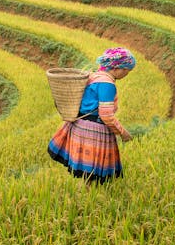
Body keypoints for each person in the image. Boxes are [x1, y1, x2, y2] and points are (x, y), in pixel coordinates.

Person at [47, 47, 136, 184]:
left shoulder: (94, 76)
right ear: (118, 67)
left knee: (86, 174)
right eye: (126, 70)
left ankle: (87, 196)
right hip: (94, 130)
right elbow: (106, 115)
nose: (126, 74)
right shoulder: (107, 84)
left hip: (80, 125)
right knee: (92, 174)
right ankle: (90, 198)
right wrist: (122, 132)